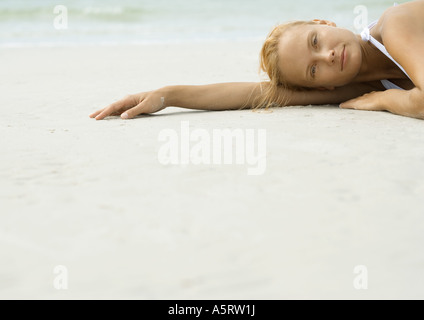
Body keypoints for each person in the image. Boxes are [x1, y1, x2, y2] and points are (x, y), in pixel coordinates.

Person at [89, 0, 424, 121]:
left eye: (315, 41)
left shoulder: (395, 25)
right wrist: (168, 95)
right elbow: (259, 94)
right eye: (313, 69)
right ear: (324, 86)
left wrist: (389, 100)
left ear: (324, 23)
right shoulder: (354, 87)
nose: (328, 55)